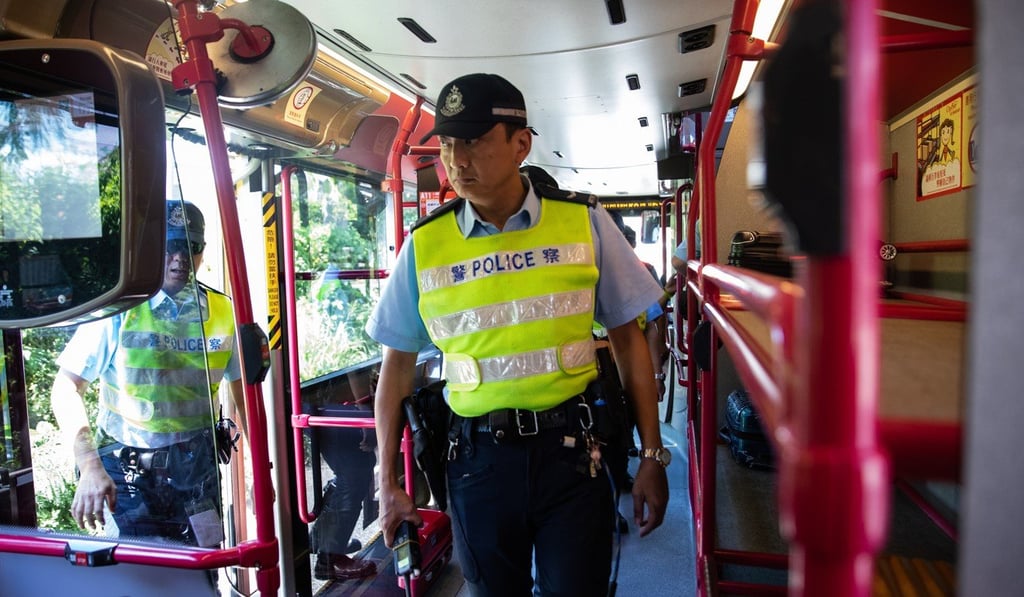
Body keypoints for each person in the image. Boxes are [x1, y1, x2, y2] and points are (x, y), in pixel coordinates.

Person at [368, 73, 670, 596]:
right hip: (475, 464)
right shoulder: (424, 246)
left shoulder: (584, 223)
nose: (456, 160)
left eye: (474, 141)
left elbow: (628, 341)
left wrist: (650, 455)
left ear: (521, 144)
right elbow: (395, 370)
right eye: (447, 142)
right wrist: (387, 482)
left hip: (573, 456)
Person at [51, 200, 245, 547]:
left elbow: (242, 392)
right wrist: (89, 466)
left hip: (198, 473)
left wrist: (260, 471)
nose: (180, 257)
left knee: (202, 576)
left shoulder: (223, 310)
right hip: (128, 475)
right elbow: (66, 387)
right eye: (170, 245)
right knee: (138, 578)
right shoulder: (118, 309)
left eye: (190, 246)